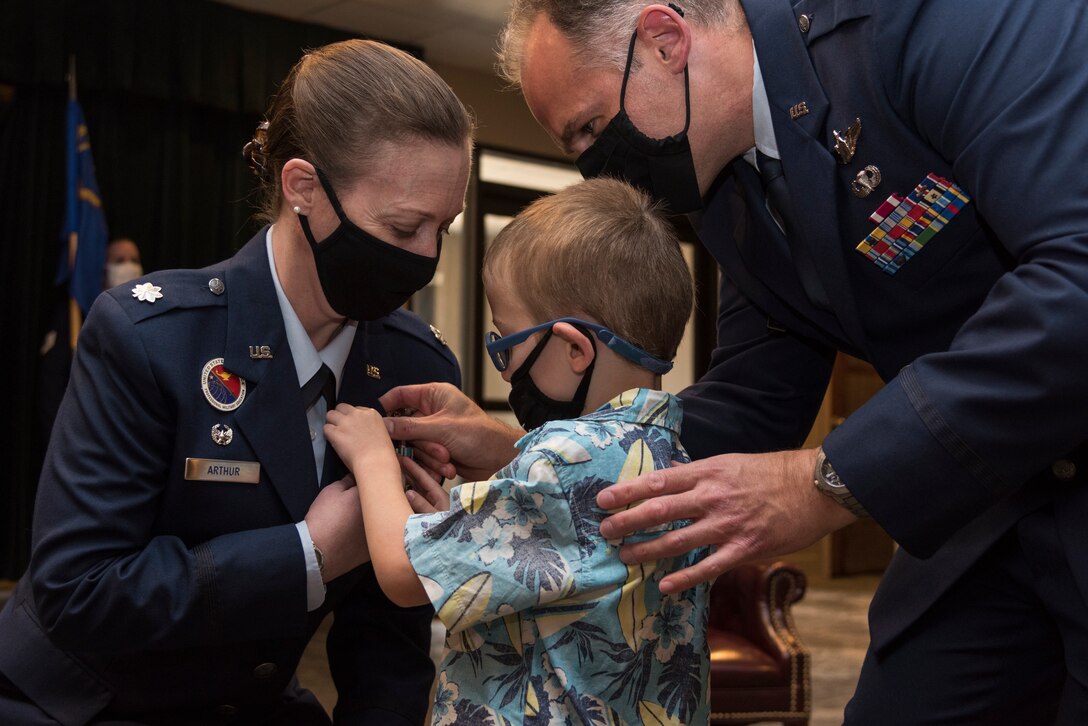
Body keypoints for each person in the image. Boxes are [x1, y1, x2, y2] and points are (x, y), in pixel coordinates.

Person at [384, 0, 1088, 722]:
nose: (597, 166)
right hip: (988, 497)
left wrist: (825, 481)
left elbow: (1077, 281)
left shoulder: (940, 25)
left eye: (591, 127)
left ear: (664, 40)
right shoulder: (728, 187)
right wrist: (531, 457)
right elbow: (757, 394)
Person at [0, 39, 473, 725]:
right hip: (82, 704)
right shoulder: (152, 339)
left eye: (445, 229)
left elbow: (387, 642)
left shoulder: (414, 369)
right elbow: (80, 591)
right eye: (404, 226)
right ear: (303, 187)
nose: (426, 258)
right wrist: (306, 554)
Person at [325, 178, 711, 724]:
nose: (503, 368)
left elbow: (402, 575)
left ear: (574, 349)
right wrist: (455, 528)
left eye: (505, 345)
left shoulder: (560, 462)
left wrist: (372, 458)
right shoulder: (675, 458)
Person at [38, 237, 145, 442]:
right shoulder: (78, 317)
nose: (128, 266)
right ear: (104, 267)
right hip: (85, 436)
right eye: (120, 260)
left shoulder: (148, 317)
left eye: (134, 260)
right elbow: (53, 388)